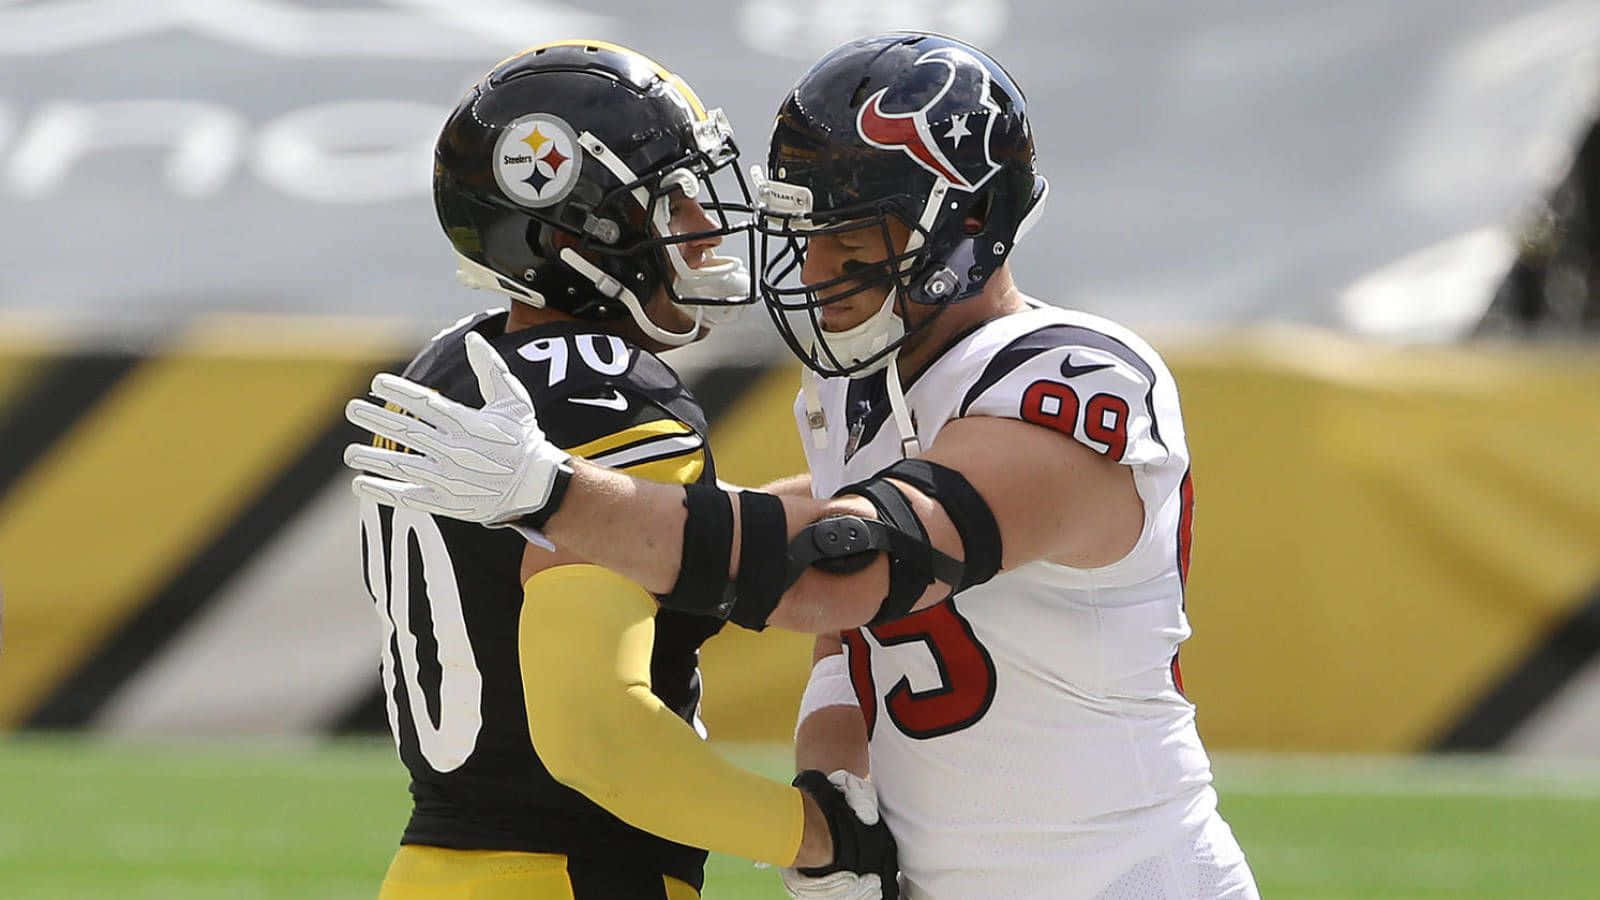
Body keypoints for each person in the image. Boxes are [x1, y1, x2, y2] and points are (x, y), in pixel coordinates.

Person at [345, 31, 1259, 899]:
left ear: (970, 221)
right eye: (806, 231)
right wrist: (832, 788)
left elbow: (853, 569)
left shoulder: (1073, 377)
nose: (816, 266)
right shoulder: (854, 394)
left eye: (851, 240)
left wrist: (557, 495)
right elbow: (845, 645)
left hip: (1119, 876)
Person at [352, 39, 896, 900]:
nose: (705, 228)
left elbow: (663, 537)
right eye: (675, 202)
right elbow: (595, 734)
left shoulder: (457, 364)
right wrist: (815, 835)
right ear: (586, 233)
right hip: (573, 877)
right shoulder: (598, 391)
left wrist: (885, 500)